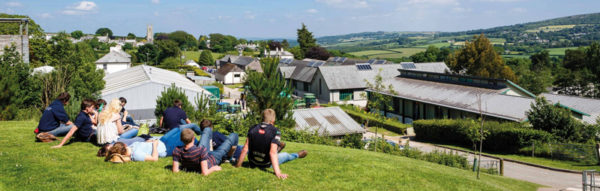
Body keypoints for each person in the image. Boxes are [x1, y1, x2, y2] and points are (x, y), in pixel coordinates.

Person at [235, 109, 307, 179]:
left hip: (252, 162)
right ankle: (297, 155)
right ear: (273, 121)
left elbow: (245, 148)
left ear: (262, 118)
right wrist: (278, 173)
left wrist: (238, 165)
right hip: (265, 163)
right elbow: (272, 153)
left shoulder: (252, 128)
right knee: (285, 155)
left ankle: (278, 147)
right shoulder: (275, 131)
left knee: (242, 146)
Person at [172, 128, 238, 176]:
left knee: (207, 129)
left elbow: (175, 170)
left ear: (181, 139)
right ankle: (229, 158)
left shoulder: (177, 150)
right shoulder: (201, 150)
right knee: (234, 135)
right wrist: (214, 168)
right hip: (213, 158)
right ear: (193, 138)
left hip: (204, 154)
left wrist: (184, 168)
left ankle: (212, 148)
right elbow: (205, 173)